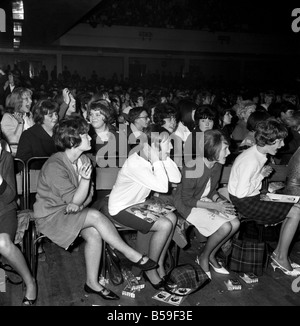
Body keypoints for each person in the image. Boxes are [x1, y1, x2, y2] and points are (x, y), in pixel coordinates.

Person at [33, 116, 158, 300]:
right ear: (72, 139)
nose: (91, 137)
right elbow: (73, 200)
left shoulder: (84, 159)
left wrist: (79, 204)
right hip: (51, 216)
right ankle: (131, 254)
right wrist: (81, 193)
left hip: (75, 211)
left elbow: (87, 196)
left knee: (94, 232)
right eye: (85, 135)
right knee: (96, 217)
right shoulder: (55, 165)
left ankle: (92, 283)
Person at [105, 124, 182, 289]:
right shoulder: (136, 163)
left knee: (172, 218)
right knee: (164, 224)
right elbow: (163, 187)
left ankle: (159, 262)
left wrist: (163, 158)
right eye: (167, 143)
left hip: (138, 205)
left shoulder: (150, 158)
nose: (171, 146)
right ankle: (150, 270)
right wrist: (157, 159)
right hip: (120, 209)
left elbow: (176, 178)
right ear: (152, 146)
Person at [228, 118, 300, 276]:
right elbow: (241, 193)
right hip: (245, 202)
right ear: (270, 141)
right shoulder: (251, 160)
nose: (282, 146)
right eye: (279, 142)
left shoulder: (257, 154)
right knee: (295, 213)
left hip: (251, 197)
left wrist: (260, 179)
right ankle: (280, 257)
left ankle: (279, 254)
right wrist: (260, 176)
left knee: (295, 207)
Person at [174, 129, 239, 278]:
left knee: (235, 223)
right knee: (225, 226)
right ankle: (204, 257)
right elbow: (187, 200)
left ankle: (210, 255)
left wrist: (221, 201)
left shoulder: (217, 164)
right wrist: (216, 206)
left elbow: (211, 190)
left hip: (204, 200)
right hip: (187, 205)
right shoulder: (192, 167)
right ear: (212, 150)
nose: (228, 153)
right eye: (225, 149)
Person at [0, 138, 37, 305]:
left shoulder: (5, 157)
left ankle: (30, 282)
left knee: (2, 242)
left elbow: (10, 197)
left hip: (4, 211)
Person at [16, 99, 59, 169]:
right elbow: (22, 164)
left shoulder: (60, 133)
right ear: (41, 117)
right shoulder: (28, 135)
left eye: (56, 114)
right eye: (50, 115)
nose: (55, 118)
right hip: (37, 175)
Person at [1, 87, 35, 155]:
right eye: (26, 99)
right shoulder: (7, 117)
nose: (31, 101)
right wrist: (20, 123)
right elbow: (13, 142)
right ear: (17, 101)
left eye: (30, 98)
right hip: (19, 157)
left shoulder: (29, 115)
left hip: (32, 154)